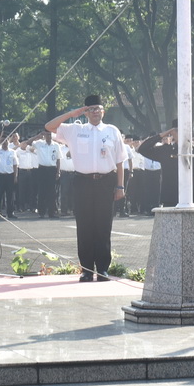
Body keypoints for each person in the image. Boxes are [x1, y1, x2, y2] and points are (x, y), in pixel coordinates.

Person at [45, 94, 126, 282]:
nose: (95, 112)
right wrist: (72, 113)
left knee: (104, 225)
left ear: (103, 111)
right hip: (83, 182)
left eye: (98, 108)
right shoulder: (75, 130)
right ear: (85, 112)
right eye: (91, 109)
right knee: (85, 226)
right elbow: (49, 126)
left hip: (106, 181)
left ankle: (103, 269)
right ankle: (87, 270)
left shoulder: (112, 131)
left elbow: (121, 161)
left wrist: (120, 186)